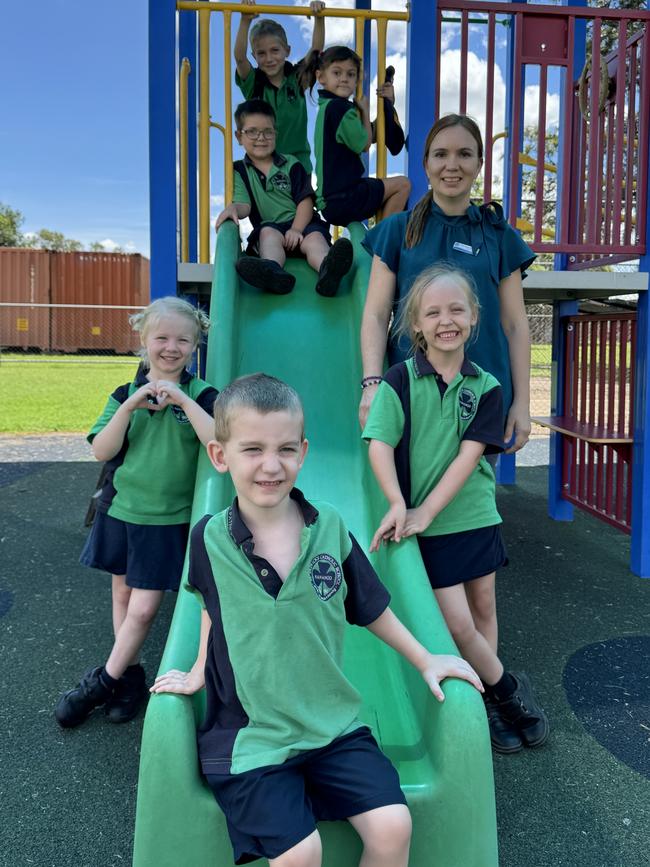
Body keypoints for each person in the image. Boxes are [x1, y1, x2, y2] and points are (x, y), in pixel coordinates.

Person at [151, 372, 483, 866]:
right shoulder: (207, 539)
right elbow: (209, 604)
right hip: (253, 738)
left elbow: (371, 608)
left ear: (303, 453)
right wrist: (199, 669)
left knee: (394, 826)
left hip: (330, 727)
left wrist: (426, 659)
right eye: (252, 450)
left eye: (286, 449)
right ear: (220, 456)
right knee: (300, 854)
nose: (271, 465)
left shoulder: (329, 526)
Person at [362, 265, 549, 754]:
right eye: (433, 312)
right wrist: (402, 503)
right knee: (458, 622)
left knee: (484, 606)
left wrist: (428, 510)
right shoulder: (399, 381)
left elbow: (470, 458)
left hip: (474, 516)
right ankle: (509, 694)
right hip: (431, 525)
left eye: (456, 310)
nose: (446, 320)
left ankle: (488, 692)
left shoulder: (485, 386)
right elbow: (379, 443)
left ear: (473, 317)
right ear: (416, 325)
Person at [54, 297, 218, 728]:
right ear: (144, 342)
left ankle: (99, 683)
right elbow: (100, 451)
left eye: (183, 339)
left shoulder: (202, 396)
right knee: (123, 599)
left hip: (165, 522)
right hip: (121, 511)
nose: (171, 347)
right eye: (161, 338)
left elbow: (219, 442)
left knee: (144, 610)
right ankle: (127, 678)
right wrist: (131, 406)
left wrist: (182, 400)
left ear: (195, 345)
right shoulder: (125, 394)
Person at [359, 113, 535, 457]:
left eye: (464, 154)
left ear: (480, 163)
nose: (451, 165)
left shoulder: (499, 235)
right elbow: (377, 315)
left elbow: (515, 325)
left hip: (481, 398)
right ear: (426, 163)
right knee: (407, 506)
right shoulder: (398, 230)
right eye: (440, 154)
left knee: (472, 507)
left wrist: (522, 403)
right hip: (413, 393)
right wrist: (371, 384)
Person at [216, 99, 353, 297]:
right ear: (239, 136)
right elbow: (244, 204)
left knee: (315, 239)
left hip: (302, 225)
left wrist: (296, 229)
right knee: (267, 235)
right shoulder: (239, 170)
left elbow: (305, 200)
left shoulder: (290, 163)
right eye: (252, 131)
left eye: (267, 131)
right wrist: (233, 209)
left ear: (275, 134)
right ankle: (273, 272)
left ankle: (328, 271)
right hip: (272, 227)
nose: (261, 137)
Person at [301, 46, 411, 227]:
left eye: (351, 74)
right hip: (345, 197)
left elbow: (373, 133)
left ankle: (373, 240)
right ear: (321, 77)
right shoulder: (340, 109)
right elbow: (365, 143)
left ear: (357, 79)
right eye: (337, 73)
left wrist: (388, 104)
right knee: (403, 185)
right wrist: (365, 112)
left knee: (380, 189)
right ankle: (382, 241)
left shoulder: (327, 107)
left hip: (330, 201)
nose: (344, 79)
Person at [234, 0, 326, 174]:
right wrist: (245, 20)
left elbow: (316, 50)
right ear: (254, 56)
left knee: (301, 201)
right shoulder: (254, 84)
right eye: (261, 53)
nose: (269, 58)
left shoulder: (297, 79)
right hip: (265, 164)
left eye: (275, 50)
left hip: (299, 164)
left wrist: (319, 18)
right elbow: (239, 57)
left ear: (287, 51)